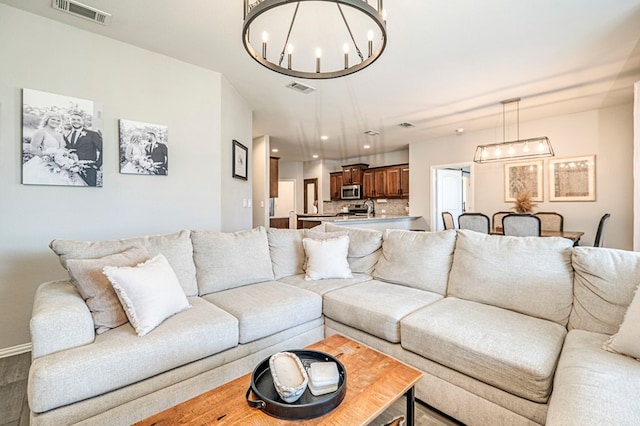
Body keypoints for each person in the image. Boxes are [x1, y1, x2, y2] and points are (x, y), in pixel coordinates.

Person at [23, 111, 86, 186]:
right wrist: (48, 158)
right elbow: (33, 148)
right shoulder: (41, 132)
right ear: (47, 119)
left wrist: (67, 158)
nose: (56, 122)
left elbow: (62, 149)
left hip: (60, 164)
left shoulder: (60, 135)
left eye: (58, 120)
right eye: (53, 119)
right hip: (45, 163)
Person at [65, 111, 102, 186]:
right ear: (70, 121)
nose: (76, 122)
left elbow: (104, 150)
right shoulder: (66, 135)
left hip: (88, 168)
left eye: (78, 120)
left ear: (82, 121)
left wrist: (97, 165)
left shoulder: (92, 134)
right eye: (73, 119)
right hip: (70, 168)